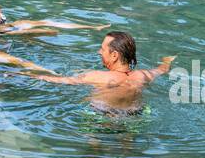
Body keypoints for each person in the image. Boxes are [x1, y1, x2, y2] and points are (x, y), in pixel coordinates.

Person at [17, 31, 175, 113]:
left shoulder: (97, 76)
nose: (99, 52)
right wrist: (167, 60)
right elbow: (162, 69)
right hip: (135, 115)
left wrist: (25, 74)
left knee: (93, 150)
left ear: (114, 56)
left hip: (102, 117)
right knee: (128, 145)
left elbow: (62, 80)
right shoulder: (143, 76)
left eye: (103, 49)